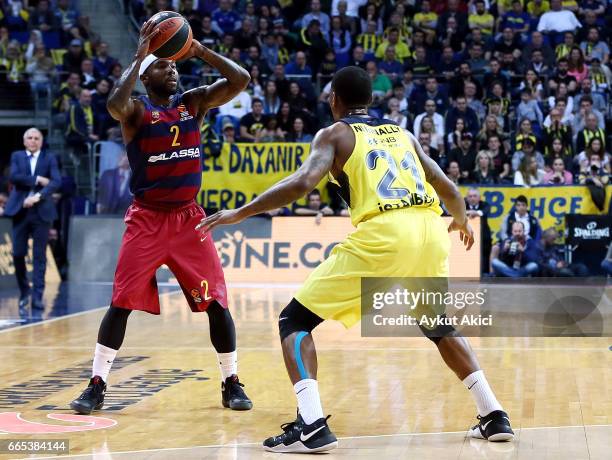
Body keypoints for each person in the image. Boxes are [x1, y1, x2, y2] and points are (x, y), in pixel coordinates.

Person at [197, 66, 514, 453]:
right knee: (438, 324)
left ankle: (311, 423)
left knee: (294, 320)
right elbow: (447, 187)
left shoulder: (334, 134)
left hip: (386, 231)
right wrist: (461, 221)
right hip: (431, 230)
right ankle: (494, 413)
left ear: (334, 100)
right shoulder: (403, 133)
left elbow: (300, 183)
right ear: (371, 100)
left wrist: (240, 213)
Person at [69, 20, 252, 415]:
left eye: (173, 66)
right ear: (146, 75)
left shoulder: (193, 103)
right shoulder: (135, 111)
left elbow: (241, 80)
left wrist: (199, 50)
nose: (172, 69)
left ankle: (230, 381)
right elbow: (114, 105)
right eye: (163, 66)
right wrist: (137, 59)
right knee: (120, 303)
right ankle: (97, 385)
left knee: (217, 304)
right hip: (147, 219)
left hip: (189, 220)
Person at [4, 128, 61, 309]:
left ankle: (37, 295)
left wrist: (37, 196)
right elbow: (14, 176)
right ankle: (24, 291)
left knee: (39, 256)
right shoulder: (17, 156)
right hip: (20, 210)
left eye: (37, 138)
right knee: (18, 253)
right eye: (30, 138)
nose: (33, 141)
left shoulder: (49, 157)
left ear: (41, 141)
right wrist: (37, 179)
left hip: (41, 211)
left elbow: (56, 181)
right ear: (24, 141)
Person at [465, 188, 492, 274]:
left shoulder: (485, 204)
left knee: (486, 244)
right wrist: (469, 212)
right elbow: (456, 212)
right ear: (467, 198)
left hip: (483, 235)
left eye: (475, 196)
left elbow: (485, 211)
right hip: (467, 234)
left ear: (479, 197)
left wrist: (475, 213)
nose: (472, 198)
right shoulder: (462, 204)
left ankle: (485, 272)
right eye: (470, 196)